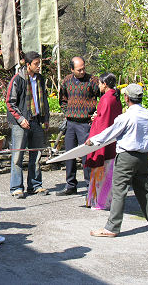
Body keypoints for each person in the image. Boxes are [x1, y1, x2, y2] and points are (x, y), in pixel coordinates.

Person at [87, 83, 148, 237]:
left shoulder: (126, 116)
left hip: (126, 157)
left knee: (119, 191)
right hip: (143, 157)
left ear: (127, 98)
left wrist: (93, 140)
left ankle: (112, 227)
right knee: (146, 190)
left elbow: (111, 132)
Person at [6, 51, 50, 198]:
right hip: (21, 124)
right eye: (36, 64)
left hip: (36, 121)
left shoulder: (40, 79)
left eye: (39, 63)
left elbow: (44, 99)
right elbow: (10, 103)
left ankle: (35, 185)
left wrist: (46, 118)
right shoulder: (17, 80)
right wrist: (20, 119)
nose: (39, 66)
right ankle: (16, 188)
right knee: (17, 156)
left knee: (36, 154)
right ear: (28, 64)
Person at [56, 56, 100, 196]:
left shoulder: (92, 81)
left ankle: (89, 186)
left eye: (83, 68)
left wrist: (96, 114)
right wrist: (67, 111)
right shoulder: (67, 81)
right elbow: (62, 98)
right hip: (71, 123)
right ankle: (70, 185)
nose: (82, 71)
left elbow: (102, 95)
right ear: (71, 69)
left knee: (86, 156)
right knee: (69, 155)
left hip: (85, 124)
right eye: (79, 69)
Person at [85, 73, 122, 209]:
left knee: (102, 173)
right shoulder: (115, 97)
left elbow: (103, 122)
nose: (99, 86)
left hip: (104, 140)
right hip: (112, 140)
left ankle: (100, 202)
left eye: (100, 83)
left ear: (105, 84)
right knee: (109, 173)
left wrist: (94, 138)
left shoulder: (106, 99)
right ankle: (105, 201)